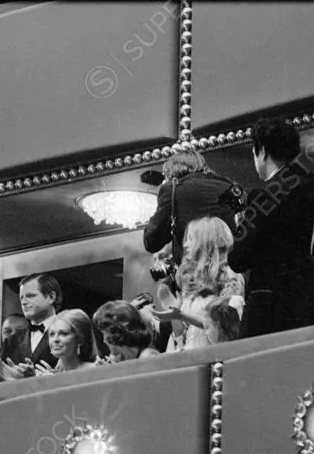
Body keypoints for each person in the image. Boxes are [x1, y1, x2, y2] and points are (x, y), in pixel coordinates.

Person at [230, 118, 314, 336]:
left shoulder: (265, 195)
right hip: (312, 301)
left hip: (270, 309)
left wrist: (240, 228)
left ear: (262, 151)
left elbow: (238, 258)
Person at [157, 216, 245, 351]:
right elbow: (181, 336)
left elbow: (225, 327)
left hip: (214, 358)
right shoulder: (192, 281)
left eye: (190, 239)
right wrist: (173, 311)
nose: (185, 245)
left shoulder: (230, 276)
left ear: (206, 242)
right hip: (188, 358)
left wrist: (180, 315)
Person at [143, 150, 242, 266]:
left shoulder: (172, 189)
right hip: (227, 267)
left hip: (195, 271)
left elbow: (152, 241)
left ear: (172, 171)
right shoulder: (228, 185)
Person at [0, 274, 60, 380]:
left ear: (51, 297)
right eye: (21, 297)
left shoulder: (71, 330)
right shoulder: (11, 341)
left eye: (30, 296)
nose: (24, 302)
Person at [34, 309, 99, 375]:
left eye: (63, 333)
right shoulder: (51, 374)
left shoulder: (95, 370)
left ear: (80, 339)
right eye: (52, 334)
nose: (55, 339)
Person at [93, 301, 160, 362]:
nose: (104, 340)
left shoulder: (149, 357)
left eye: (104, 333)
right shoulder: (120, 359)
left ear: (115, 332)